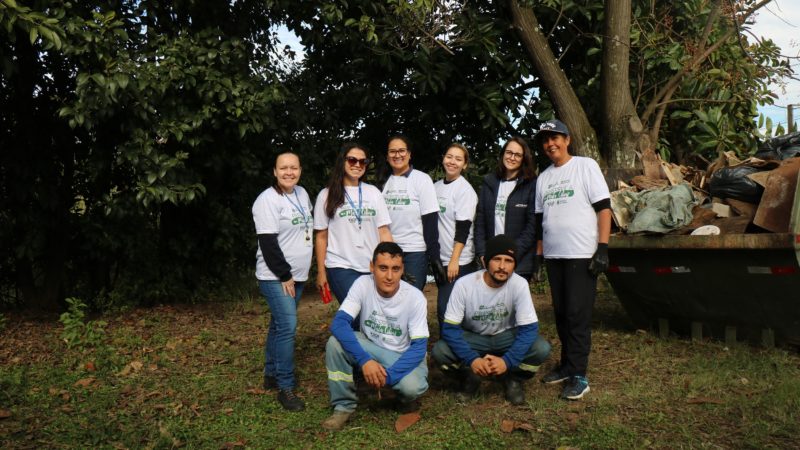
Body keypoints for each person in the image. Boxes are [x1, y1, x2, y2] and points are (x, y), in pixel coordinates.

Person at [533, 119, 611, 400]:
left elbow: (603, 208)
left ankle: (579, 375)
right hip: (555, 256)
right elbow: (541, 220)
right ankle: (567, 366)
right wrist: (540, 257)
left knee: (578, 315)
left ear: (567, 139)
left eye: (555, 137)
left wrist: (602, 247)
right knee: (562, 313)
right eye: (545, 140)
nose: (550, 144)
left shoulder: (585, 165)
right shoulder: (543, 178)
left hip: (581, 254)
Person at [322, 242, 429, 431]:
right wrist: (365, 361)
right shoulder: (363, 284)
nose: (389, 276)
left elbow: (420, 347)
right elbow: (339, 323)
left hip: (400, 354)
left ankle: (401, 399)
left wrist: (387, 378)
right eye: (383, 268)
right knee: (334, 343)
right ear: (372, 267)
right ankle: (343, 406)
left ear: (402, 269)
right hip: (370, 348)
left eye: (395, 269)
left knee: (413, 387)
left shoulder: (415, 297)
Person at [432, 234, 551, 405]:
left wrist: (507, 361)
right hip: (474, 337)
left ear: (514, 265)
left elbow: (529, 328)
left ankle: (512, 378)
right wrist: (471, 359)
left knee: (541, 348)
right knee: (440, 351)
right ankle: (469, 377)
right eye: (496, 259)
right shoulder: (464, 285)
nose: (502, 266)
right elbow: (450, 329)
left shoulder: (519, 284)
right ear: (485, 261)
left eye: (508, 261)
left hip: (506, 336)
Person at [251, 152, 313, 411]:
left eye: (294, 167)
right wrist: (285, 275)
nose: (289, 172)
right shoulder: (267, 200)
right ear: (275, 171)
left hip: (297, 276)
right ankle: (285, 387)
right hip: (276, 276)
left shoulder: (302, 193)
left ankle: (271, 374)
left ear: (299, 170)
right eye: (283, 168)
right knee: (288, 326)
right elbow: (268, 243)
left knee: (278, 325)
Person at [314, 143, 393, 306]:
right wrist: (321, 272)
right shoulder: (326, 195)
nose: (357, 165)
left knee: (372, 313)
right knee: (357, 311)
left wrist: (392, 263)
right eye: (352, 160)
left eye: (362, 161)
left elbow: (384, 231)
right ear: (342, 162)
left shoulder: (374, 193)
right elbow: (321, 237)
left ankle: (343, 331)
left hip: (372, 265)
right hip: (341, 265)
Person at [380, 135, 445, 291]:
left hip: (413, 253)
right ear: (387, 156)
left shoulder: (422, 180)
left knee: (410, 297)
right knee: (388, 298)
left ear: (409, 154)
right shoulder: (381, 181)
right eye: (392, 151)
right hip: (387, 251)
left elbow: (430, 220)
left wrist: (434, 257)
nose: (397, 155)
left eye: (402, 150)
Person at [474, 137, 538, 280]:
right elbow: (480, 222)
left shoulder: (531, 185)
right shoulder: (488, 183)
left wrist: (512, 254)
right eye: (509, 152)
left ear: (523, 159)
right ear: (503, 154)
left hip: (520, 262)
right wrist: (483, 253)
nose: (512, 157)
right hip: (491, 260)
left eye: (517, 155)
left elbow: (532, 227)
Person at [433, 143, 478, 329]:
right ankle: (451, 351)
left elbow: (463, 229)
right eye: (450, 157)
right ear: (444, 158)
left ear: (465, 165)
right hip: (441, 259)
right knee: (445, 309)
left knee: (448, 309)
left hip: (459, 261)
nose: (452, 162)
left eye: (458, 159)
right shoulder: (435, 187)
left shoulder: (465, 190)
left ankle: (458, 353)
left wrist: (455, 260)